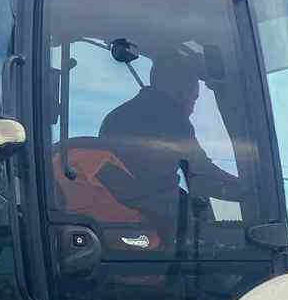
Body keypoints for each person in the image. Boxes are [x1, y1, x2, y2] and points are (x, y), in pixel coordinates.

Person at [98, 53, 243, 236]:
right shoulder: (171, 117)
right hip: (155, 217)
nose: (192, 106)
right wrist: (247, 190)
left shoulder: (116, 117)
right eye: (194, 98)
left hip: (120, 212)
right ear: (179, 87)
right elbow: (203, 177)